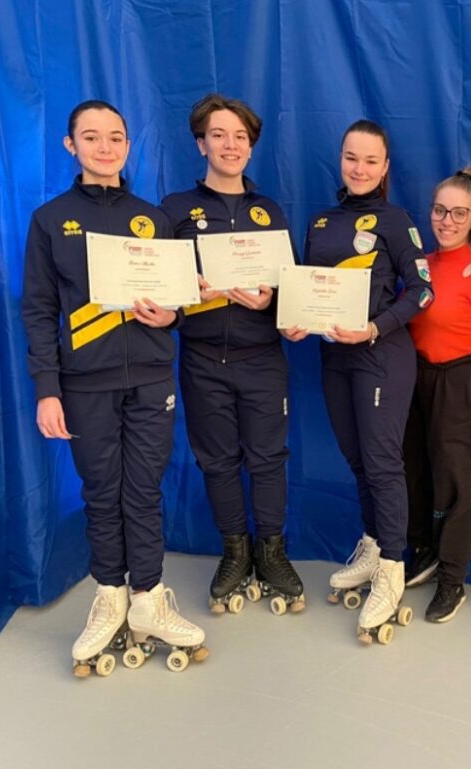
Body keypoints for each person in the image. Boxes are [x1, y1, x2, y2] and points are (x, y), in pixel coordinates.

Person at [23, 100, 206, 676]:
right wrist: (47, 389)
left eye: (116, 137)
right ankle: (109, 596)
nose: (105, 147)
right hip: (84, 385)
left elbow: (180, 299)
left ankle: (148, 598)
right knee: (102, 492)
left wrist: (172, 316)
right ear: (70, 145)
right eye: (92, 137)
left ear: (129, 145)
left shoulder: (153, 218)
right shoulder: (50, 220)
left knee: (143, 491)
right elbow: (39, 310)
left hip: (151, 379)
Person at [284, 119, 432, 643]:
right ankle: (373, 543)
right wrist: (297, 319)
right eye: (352, 158)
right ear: (340, 159)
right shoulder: (321, 222)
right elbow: (309, 288)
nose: (360, 168)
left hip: (381, 357)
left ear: (385, 167)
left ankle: (392, 567)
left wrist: (374, 327)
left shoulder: (397, 221)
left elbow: (422, 291)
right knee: (358, 460)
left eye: (371, 160)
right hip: (334, 360)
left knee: (383, 463)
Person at [160, 94, 303, 617]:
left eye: (240, 136)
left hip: (262, 358)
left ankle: (272, 551)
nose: (230, 145)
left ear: (251, 146)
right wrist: (185, 297)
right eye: (218, 135)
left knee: (268, 459)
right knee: (217, 460)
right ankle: (235, 552)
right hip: (202, 361)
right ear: (201, 144)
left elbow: (292, 289)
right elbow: (160, 292)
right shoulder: (175, 210)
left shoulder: (270, 212)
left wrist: (273, 303)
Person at [402, 168, 471, 622]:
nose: (447, 221)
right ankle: (425, 550)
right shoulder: (421, 266)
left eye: (458, 213)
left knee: (458, 485)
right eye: (440, 211)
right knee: (416, 472)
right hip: (418, 380)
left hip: (462, 383)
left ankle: (452, 580)